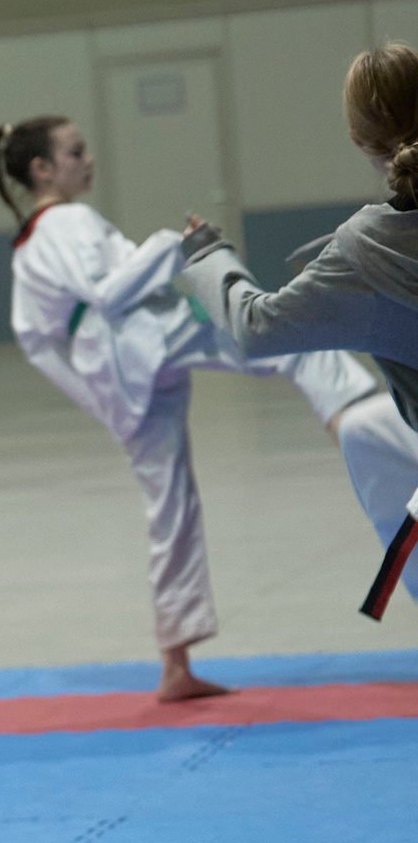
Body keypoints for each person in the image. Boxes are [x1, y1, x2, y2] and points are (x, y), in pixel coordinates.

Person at [0, 116, 383, 699]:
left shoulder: (27, 246)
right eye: (75, 152)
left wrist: (99, 399)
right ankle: (358, 420)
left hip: (118, 369)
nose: (88, 159)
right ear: (42, 169)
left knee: (168, 504)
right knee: (286, 339)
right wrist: (179, 246)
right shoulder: (67, 220)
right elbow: (108, 292)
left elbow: (37, 341)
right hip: (143, 336)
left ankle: (175, 664)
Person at [178, 42, 418, 601]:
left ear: (358, 140)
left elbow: (254, 328)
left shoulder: (367, 249)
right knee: (363, 429)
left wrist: (208, 255)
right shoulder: (361, 248)